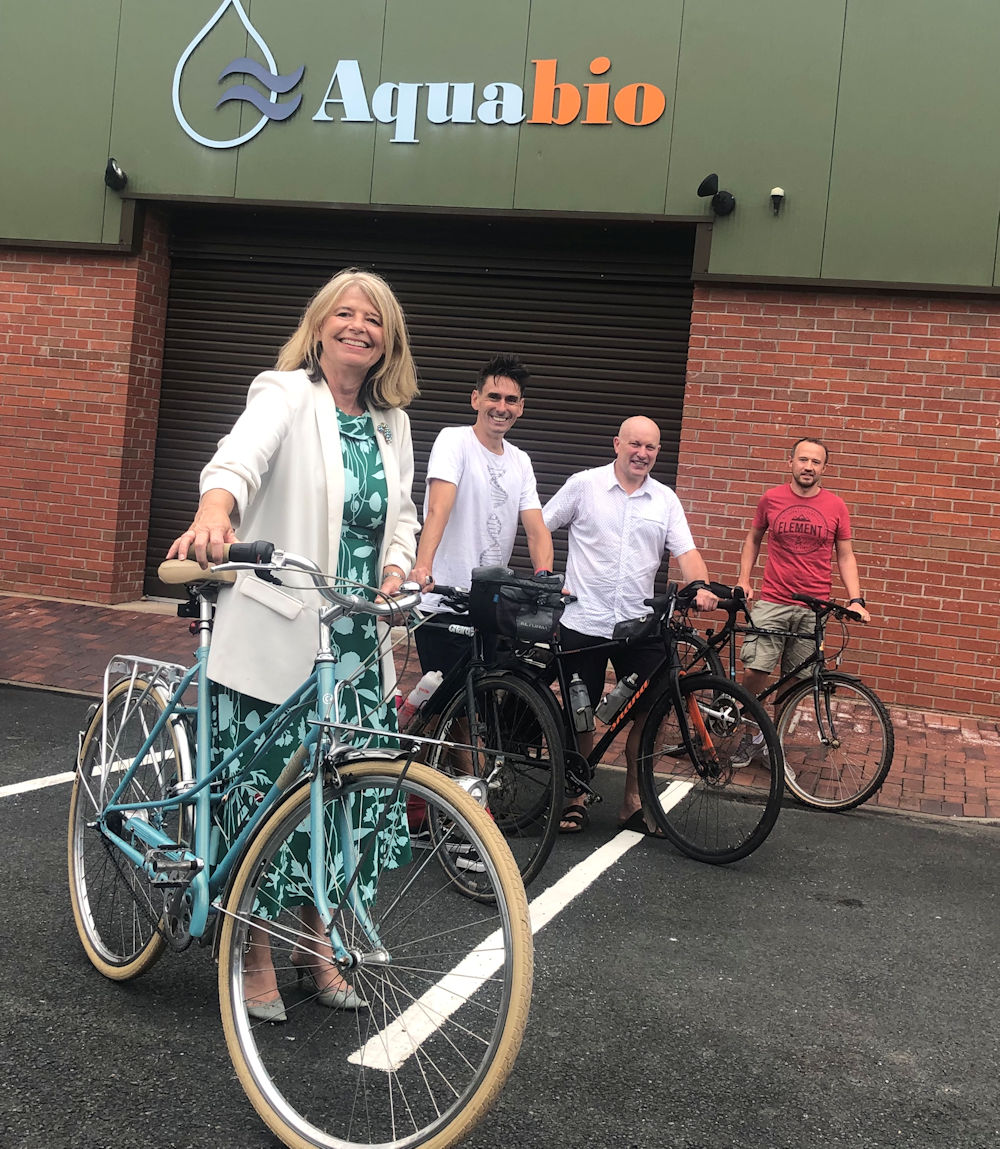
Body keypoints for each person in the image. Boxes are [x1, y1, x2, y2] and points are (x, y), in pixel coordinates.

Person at [167, 268, 419, 1022]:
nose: (357, 326)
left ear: (388, 340)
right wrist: (216, 510)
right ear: (318, 328)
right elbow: (237, 459)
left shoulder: (391, 422)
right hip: (281, 631)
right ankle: (252, 952)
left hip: (353, 641)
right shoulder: (283, 392)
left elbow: (398, 512)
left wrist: (398, 568)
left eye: (372, 319)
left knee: (343, 803)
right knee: (263, 794)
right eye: (343, 313)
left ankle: (317, 943)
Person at [543, 415, 718, 835]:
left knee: (651, 714)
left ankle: (634, 803)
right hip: (583, 619)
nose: (642, 453)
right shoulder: (583, 485)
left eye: (651, 448)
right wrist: (547, 575)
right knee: (581, 714)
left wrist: (702, 586)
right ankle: (575, 798)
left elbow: (687, 551)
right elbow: (540, 524)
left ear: (658, 453)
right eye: (635, 444)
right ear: (617, 444)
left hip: (640, 627)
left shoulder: (665, 500)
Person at [408, 352, 553, 672]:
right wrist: (422, 567)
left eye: (511, 400)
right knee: (455, 706)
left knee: (488, 704)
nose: (502, 407)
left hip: (490, 605)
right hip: (444, 600)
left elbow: (536, 529)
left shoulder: (521, 461)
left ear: (521, 407)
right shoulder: (454, 441)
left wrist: (543, 577)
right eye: (494, 397)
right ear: (476, 399)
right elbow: (438, 509)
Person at [734, 435, 871, 764]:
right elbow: (753, 539)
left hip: (814, 607)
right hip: (773, 600)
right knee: (756, 670)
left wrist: (856, 599)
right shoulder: (771, 499)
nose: (808, 466)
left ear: (825, 467)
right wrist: (743, 579)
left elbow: (846, 555)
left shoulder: (836, 506)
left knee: (793, 682)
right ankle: (751, 732)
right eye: (803, 459)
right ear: (791, 462)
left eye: (816, 461)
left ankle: (769, 742)